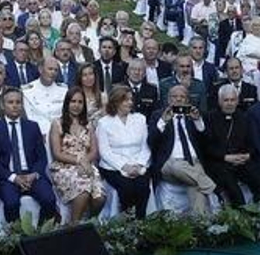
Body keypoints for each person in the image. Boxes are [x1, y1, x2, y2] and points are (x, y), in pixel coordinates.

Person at [0, 87, 57, 223]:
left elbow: (41, 157)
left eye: (18, 102)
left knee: (49, 199)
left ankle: (42, 230)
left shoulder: (32, 127)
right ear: (2, 105)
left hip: (31, 174)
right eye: (10, 102)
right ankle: (15, 233)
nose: (15, 106)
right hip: (7, 177)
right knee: (11, 202)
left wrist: (34, 174)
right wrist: (14, 178)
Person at [149, 82, 216, 215]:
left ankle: (200, 221)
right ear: (168, 100)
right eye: (174, 96)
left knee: (195, 184)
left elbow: (208, 141)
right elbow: (151, 141)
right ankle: (211, 186)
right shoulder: (158, 115)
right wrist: (163, 122)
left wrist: (197, 121)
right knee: (177, 166)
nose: (178, 99)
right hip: (169, 163)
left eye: (182, 97)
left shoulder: (195, 115)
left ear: (188, 100)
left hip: (193, 162)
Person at [201, 83, 260, 207]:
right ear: (219, 101)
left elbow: (251, 141)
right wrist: (225, 157)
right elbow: (206, 146)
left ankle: (259, 210)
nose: (229, 103)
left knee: (259, 181)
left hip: (240, 161)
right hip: (219, 162)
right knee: (234, 190)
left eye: (232, 100)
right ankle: (240, 215)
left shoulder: (244, 117)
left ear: (237, 101)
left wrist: (247, 155)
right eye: (226, 100)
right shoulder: (209, 118)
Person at [49, 87, 106, 224]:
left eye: (80, 102)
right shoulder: (57, 123)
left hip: (87, 164)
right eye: (73, 101)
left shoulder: (88, 124)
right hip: (64, 166)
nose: (76, 105)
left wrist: (85, 162)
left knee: (99, 198)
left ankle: (86, 222)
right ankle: (74, 225)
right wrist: (79, 160)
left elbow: (94, 151)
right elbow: (57, 153)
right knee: (83, 191)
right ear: (67, 103)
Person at [95, 85, 152, 219]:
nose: (130, 103)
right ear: (116, 102)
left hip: (138, 164)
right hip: (113, 166)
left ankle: (141, 222)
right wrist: (124, 166)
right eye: (125, 100)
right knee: (127, 189)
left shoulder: (140, 119)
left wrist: (139, 164)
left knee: (143, 187)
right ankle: (126, 223)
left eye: (131, 99)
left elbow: (146, 146)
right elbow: (105, 152)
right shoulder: (104, 123)